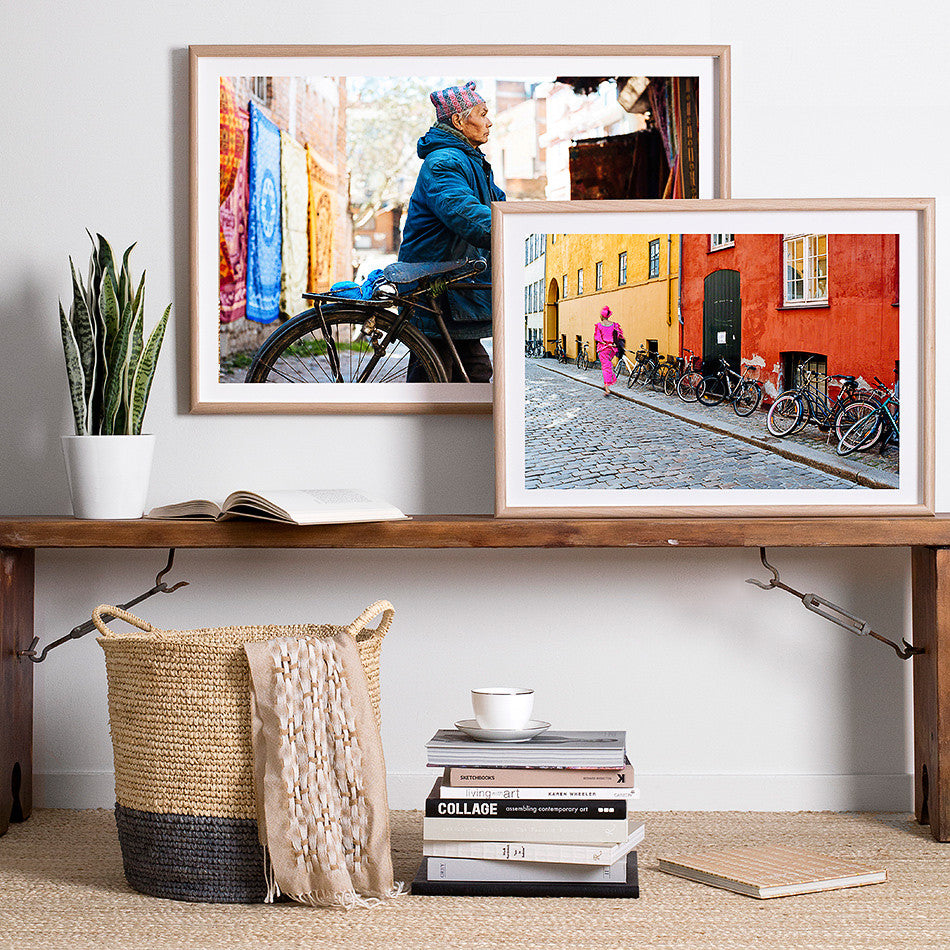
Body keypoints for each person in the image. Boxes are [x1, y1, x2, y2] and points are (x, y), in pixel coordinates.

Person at [397, 81, 506, 382]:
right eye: (482, 114)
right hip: (436, 287)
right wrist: (507, 232)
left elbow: (499, 205)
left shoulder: (471, 161)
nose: (489, 122)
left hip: (455, 286)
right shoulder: (444, 162)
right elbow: (464, 212)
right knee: (434, 378)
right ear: (458, 120)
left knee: (473, 372)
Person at [593, 305, 624, 395]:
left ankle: (607, 388)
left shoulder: (599, 325)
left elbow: (598, 338)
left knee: (605, 367)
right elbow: (619, 335)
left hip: (604, 348)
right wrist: (613, 343)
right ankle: (607, 382)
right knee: (608, 364)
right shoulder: (614, 325)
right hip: (612, 349)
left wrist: (605, 343)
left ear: (601, 316)